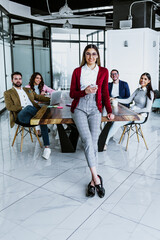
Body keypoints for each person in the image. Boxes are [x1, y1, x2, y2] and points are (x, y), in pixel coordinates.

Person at [70, 44, 114, 198]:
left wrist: (109, 111)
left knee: (94, 143)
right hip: (80, 106)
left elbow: (105, 93)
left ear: (97, 56)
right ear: (84, 55)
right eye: (88, 54)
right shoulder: (77, 71)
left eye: (94, 54)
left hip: (96, 107)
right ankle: (97, 179)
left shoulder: (103, 71)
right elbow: (72, 93)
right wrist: (85, 91)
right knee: (88, 141)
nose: (91, 57)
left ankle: (92, 182)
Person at [4, 72, 51, 160]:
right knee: (30, 108)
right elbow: (9, 106)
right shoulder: (8, 93)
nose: (18, 80)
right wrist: (23, 107)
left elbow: (39, 97)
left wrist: (51, 99)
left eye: (19, 78)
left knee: (42, 119)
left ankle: (47, 148)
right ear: (12, 80)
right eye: (16, 79)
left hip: (33, 115)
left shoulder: (27, 90)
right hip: (21, 116)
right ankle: (42, 115)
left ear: (22, 80)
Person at [106, 72, 154, 146]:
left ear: (149, 81)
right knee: (114, 118)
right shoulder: (138, 90)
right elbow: (128, 100)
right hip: (132, 113)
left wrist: (134, 111)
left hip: (141, 116)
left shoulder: (150, 93)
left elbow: (147, 109)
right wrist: (115, 99)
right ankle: (106, 138)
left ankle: (104, 142)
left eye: (145, 79)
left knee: (117, 123)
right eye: (142, 78)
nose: (142, 80)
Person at [26, 72, 55, 136]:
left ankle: (44, 125)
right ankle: (39, 129)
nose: (39, 80)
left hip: (41, 104)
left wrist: (48, 94)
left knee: (50, 106)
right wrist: (40, 96)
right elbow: (29, 99)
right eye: (37, 78)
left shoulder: (43, 86)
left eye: (40, 78)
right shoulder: (27, 87)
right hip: (32, 106)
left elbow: (52, 91)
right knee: (39, 111)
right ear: (33, 78)